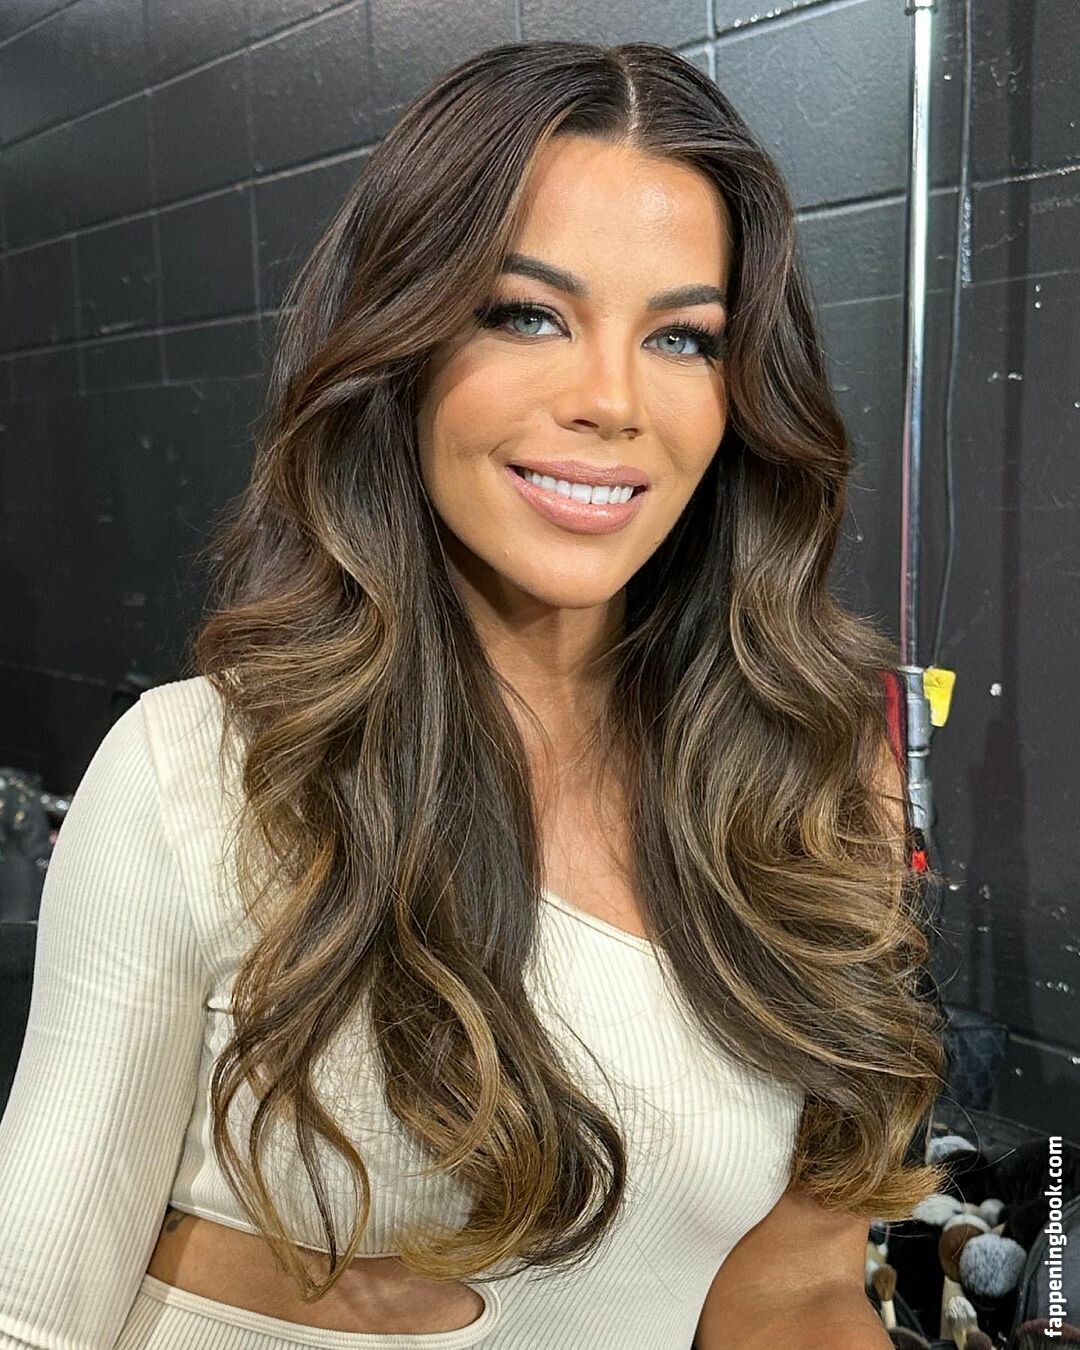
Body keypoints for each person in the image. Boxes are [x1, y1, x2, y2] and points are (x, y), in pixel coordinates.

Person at [0, 39, 948, 1350]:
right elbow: (32, 1310)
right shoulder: (197, 776)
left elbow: (791, 1293)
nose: (611, 400)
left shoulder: (812, 775)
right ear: (400, 345)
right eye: (527, 314)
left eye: (682, 337)